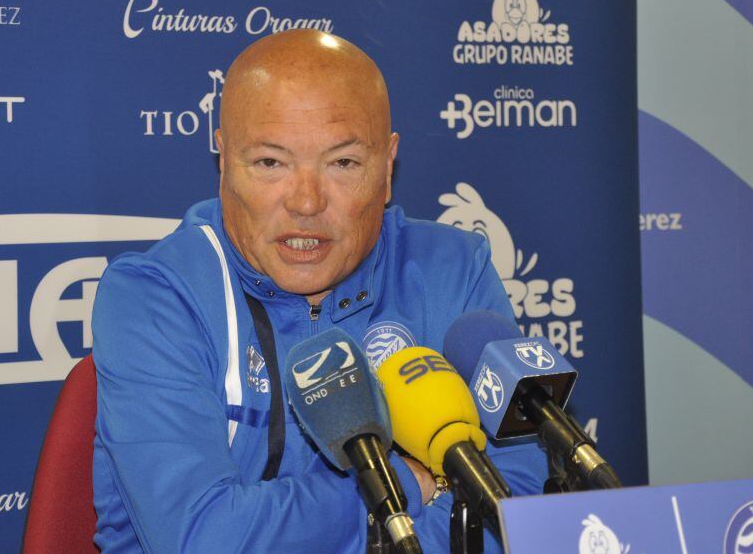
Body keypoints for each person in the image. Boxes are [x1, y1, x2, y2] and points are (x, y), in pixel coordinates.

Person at [92, 30, 546, 553]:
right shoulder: (155, 298)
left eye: (343, 164)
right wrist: (407, 485)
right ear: (223, 160)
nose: (306, 202)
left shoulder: (454, 272)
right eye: (270, 163)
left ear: (388, 166)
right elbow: (204, 538)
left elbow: (515, 501)